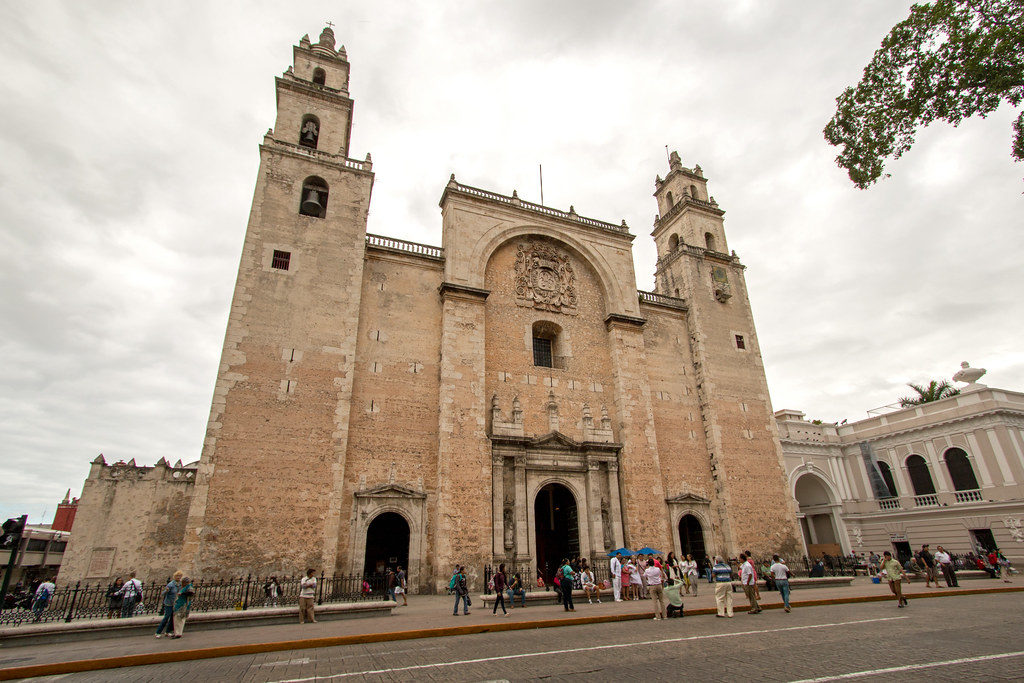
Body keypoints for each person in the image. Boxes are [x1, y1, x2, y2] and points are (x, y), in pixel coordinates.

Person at [155, 570, 182, 637]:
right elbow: (162, 594)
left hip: (175, 603)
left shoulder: (180, 584)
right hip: (169, 603)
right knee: (167, 617)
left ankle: (168, 631)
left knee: (173, 618)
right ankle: (158, 632)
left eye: (180, 576)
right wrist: (166, 591)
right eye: (177, 576)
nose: (179, 577)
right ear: (175, 577)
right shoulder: (171, 584)